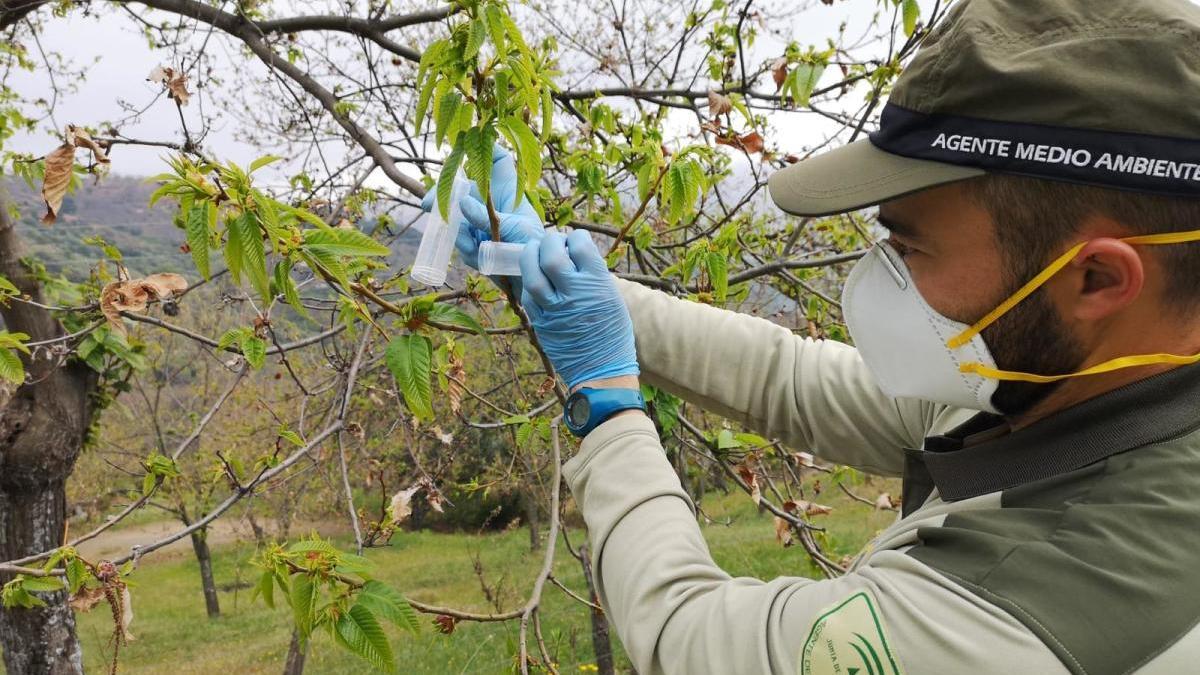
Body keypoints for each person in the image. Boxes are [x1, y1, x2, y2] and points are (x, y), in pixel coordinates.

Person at [423, 0, 1200, 672]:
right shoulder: (1065, 376)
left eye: (910, 245)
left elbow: (689, 639)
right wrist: (553, 279)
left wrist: (605, 403)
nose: (880, 275)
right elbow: (791, 379)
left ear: (1097, 280)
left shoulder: (1040, 607)